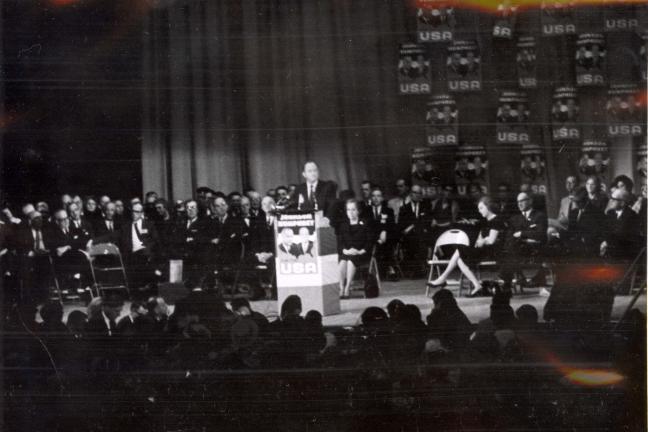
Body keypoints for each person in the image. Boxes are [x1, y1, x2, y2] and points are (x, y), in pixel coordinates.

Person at [500, 192, 548, 292]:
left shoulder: (539, 216)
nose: (519, 204)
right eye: (518, 202)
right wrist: (528, 235)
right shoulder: (514, 219)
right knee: (510, 246)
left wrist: (522, 233)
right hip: (519, 249)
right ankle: (514, 278)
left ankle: (507, 279)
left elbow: (540, 234)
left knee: (511, 250)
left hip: (534, 249)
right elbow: (510, 236)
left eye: (522, 201)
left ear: (530, 201)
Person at [119, 202, 160, 296]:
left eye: (137, 212)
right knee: (136, 260)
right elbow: (114, 236)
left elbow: (155, 240)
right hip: (131, 255)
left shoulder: (149, 225)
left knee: (144, 257)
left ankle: (147, 290)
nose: (134, 214)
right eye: (133, 211)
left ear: (142, 213)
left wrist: (146, 248)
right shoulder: (125, 227)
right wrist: (93, 240)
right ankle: (139, 291)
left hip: (146, 254)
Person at [337, 200, 372, 299]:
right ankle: (341, 287)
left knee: (350, 260)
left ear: (358, 211)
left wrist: (361, 251)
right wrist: (345, 250)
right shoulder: (343, 225)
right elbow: (340, 243)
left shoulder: (365, 223)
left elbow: (370, 241)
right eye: (348, 210)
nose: (350, 212)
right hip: (347, 253)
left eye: (353, 210)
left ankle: (347, 287)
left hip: (361, 254)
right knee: (343, 260)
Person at [398, 184, 431, 274]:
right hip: (409, 237)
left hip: (422, 235)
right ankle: (416, 268)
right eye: (414, 192)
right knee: (411, 240)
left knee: (421, 239)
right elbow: (402, 226)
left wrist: (413, 225)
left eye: (419, 193)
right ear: (411, 194)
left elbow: (427, 222)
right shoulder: (404, 209)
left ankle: (420, 267)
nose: (417, 195)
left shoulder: (426, 207)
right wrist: (415, 225)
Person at [426, 289, 472, 353]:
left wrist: (432, 317)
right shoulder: (456, 313)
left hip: (453, 350)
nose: (434, 306)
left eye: (435, 303)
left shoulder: (452, 315)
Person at [600, 189, 641, 261]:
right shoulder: (610, 213)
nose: (610, 201)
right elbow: (605, 230)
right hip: (609, 252)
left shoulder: (632, 216)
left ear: (622, 203)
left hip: (623, 255)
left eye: (614, 199)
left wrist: (608, 242)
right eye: (611, 199)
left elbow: (624, 236)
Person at [366, 186, 397, 278]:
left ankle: (389, 267)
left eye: (378, 196)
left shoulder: (388, 210)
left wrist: (384, 231)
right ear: (371, 197)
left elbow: (392, 226)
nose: (376, 198)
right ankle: (376, 270)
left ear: (382, 198)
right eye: (374, 196)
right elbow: (366, 226)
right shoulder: (366, 210)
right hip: (372, 237)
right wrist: (377, 237)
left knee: (389, 241)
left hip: (385, 238)